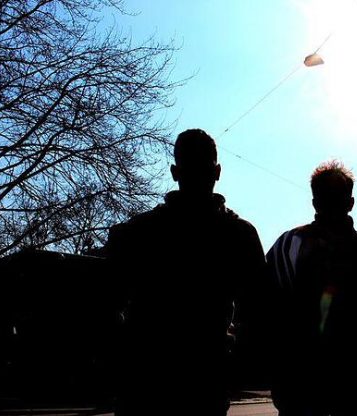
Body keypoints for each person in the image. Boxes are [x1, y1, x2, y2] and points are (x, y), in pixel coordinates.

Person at [105, 129, 267, 416]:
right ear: (218, 172)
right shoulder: (239, 235)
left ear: (174, 172)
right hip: (203, 381)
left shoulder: (137, 232)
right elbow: (257, 313)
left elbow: (107, 306)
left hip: (146, 380)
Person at [266, 160, 357, 416]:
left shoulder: (290, 245)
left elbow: (271, 314)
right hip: (337, 384)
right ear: (351, 202)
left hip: (315, 383)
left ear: (314, 202)